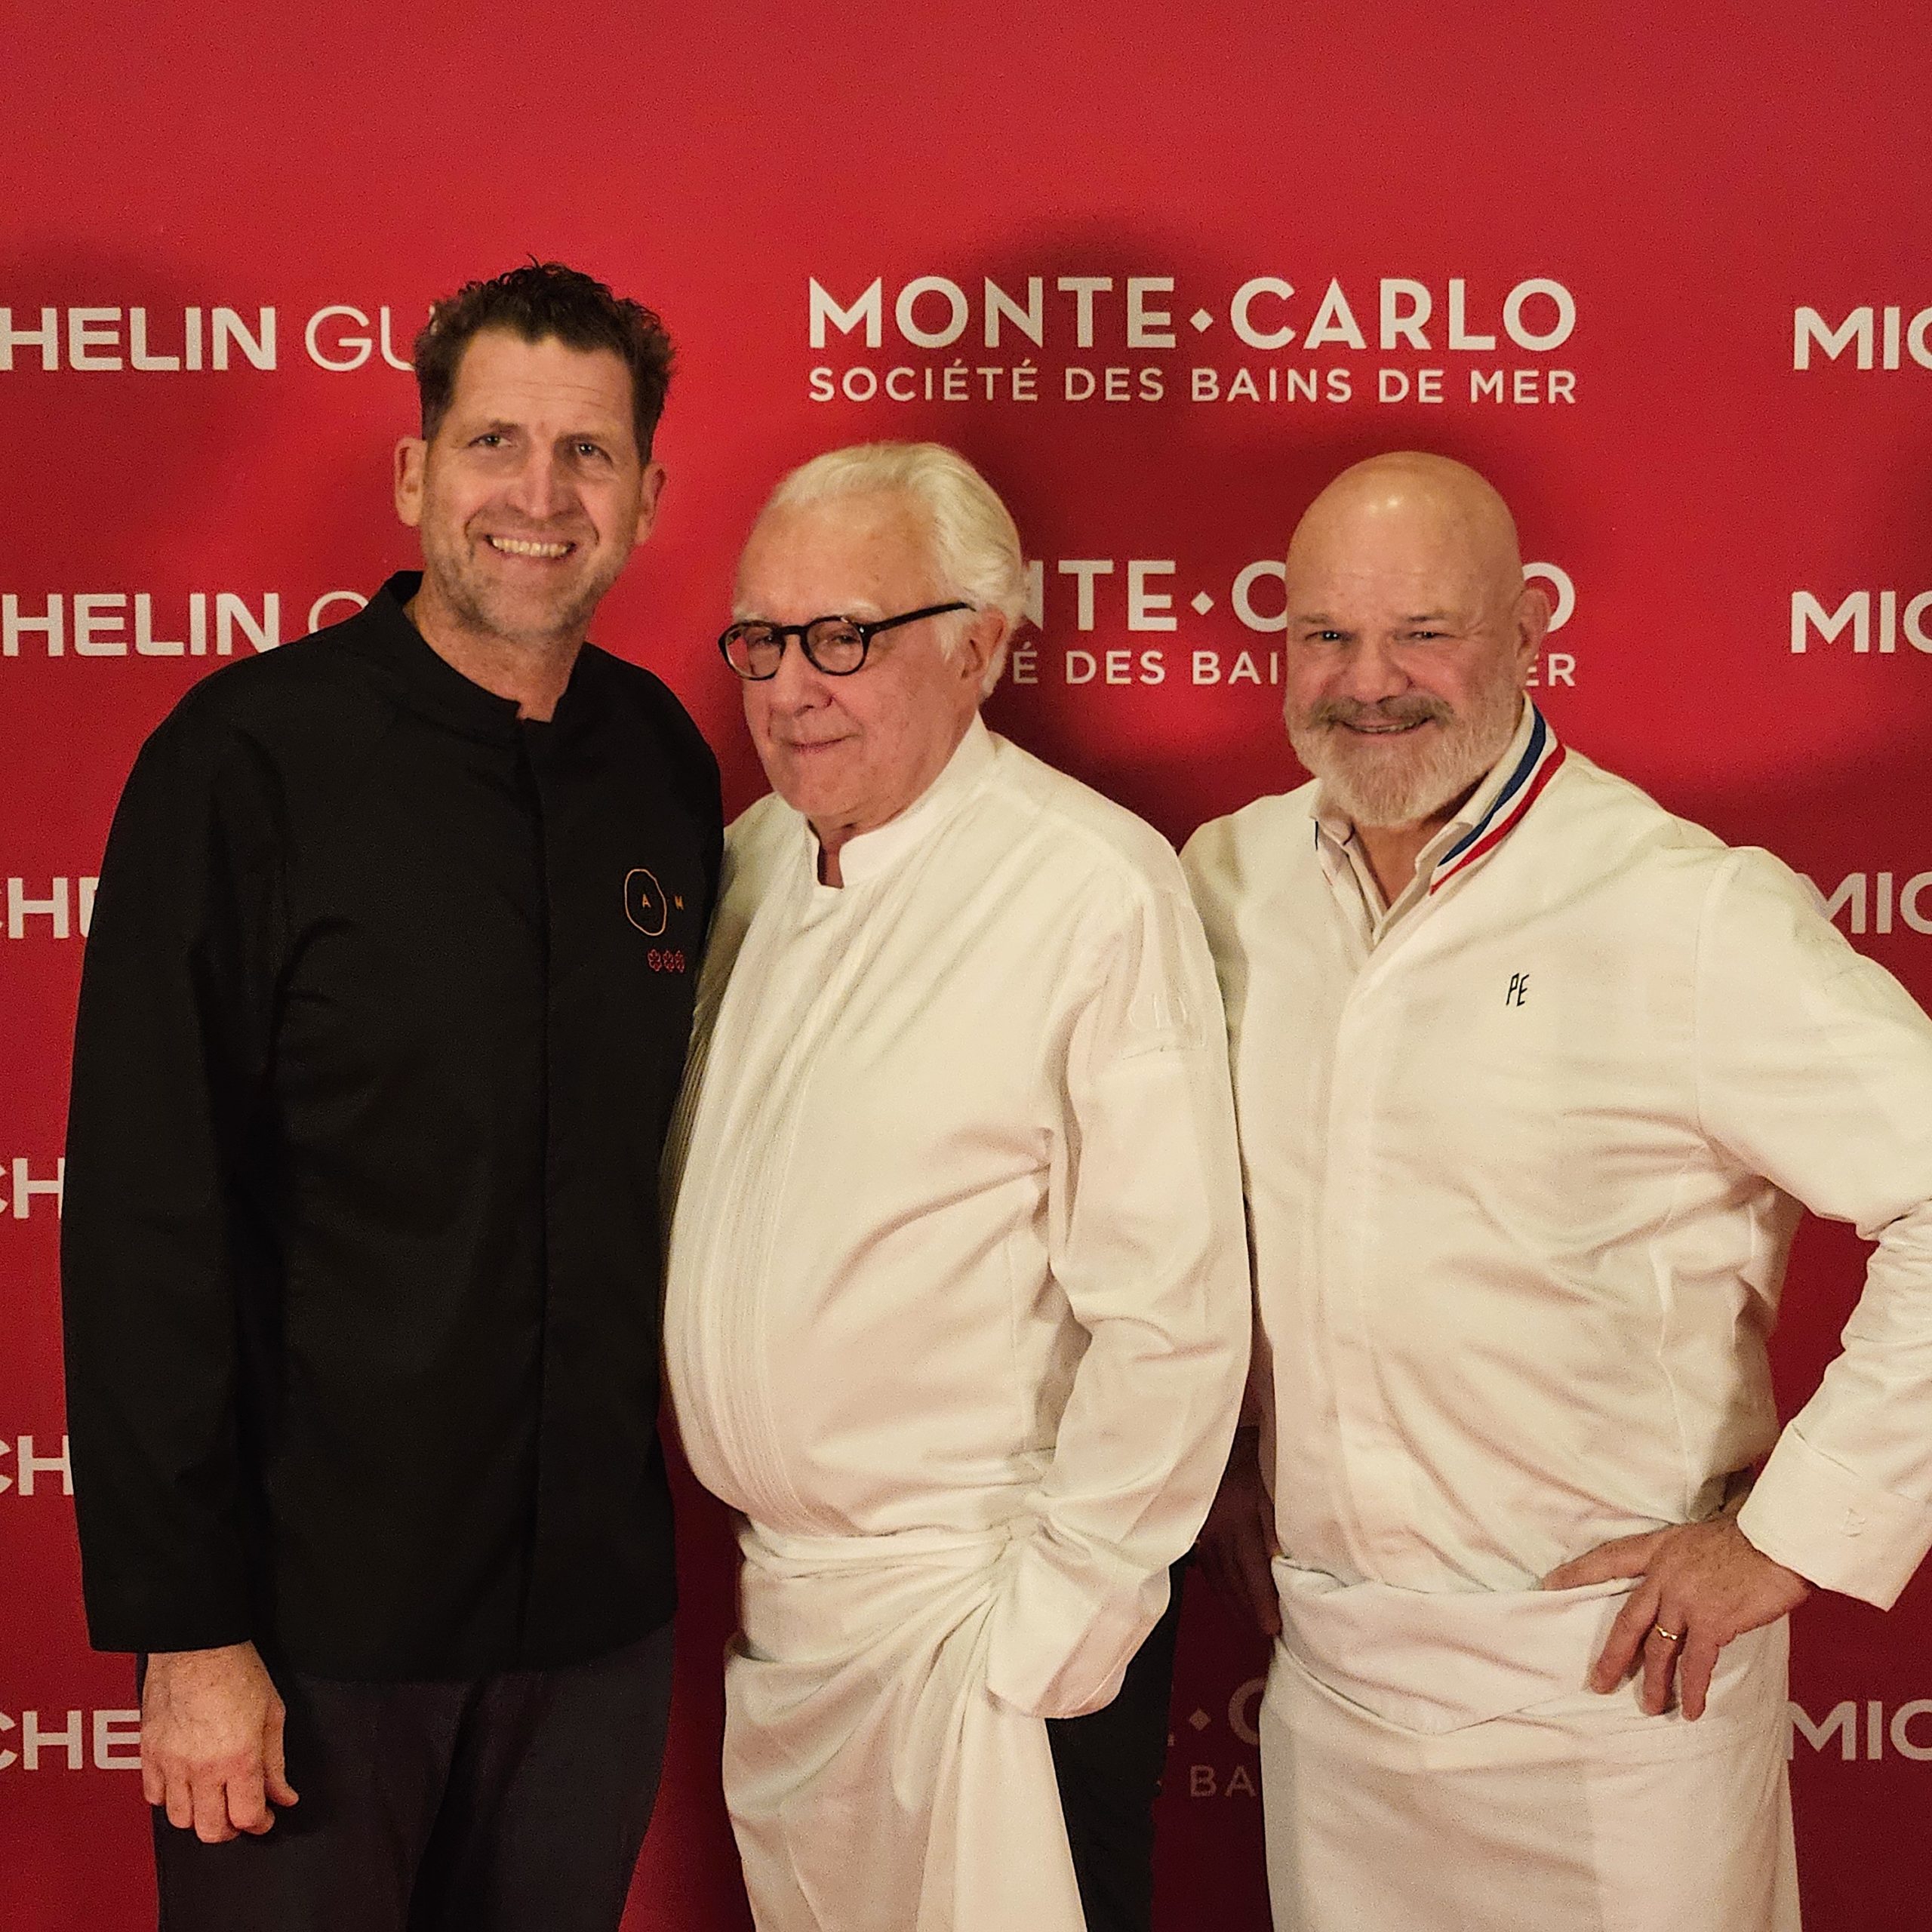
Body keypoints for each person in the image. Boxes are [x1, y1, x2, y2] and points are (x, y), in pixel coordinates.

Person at [1183, 450, 1932, 1932]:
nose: (1368, 683)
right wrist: (1212, 1458)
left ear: (1527, 628)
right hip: (1337, 1681)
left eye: (1423, 634)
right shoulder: (1228, 884)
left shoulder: (1681, 907)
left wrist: (1788, 1536)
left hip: (1616, 1691)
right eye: (1326, 634)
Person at [61, 261, 721, 1932]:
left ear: (647, 497)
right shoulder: (243, 761)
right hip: (310, 1641)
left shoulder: (662, 762)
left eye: (587, 453)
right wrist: (190, 1636)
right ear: (418, 473)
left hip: (590, 1633)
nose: (538, 495)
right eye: (496, 441)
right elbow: (144, 1221)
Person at [663, 440, 1251, 1932]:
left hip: (988, 1625)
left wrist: (1054, 1632)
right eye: (761, 640)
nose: (791, 687)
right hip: (794, 1627)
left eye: (843, 638)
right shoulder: (743, 868)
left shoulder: (1088, 887)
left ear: (981, 646)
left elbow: (1174, 1314)